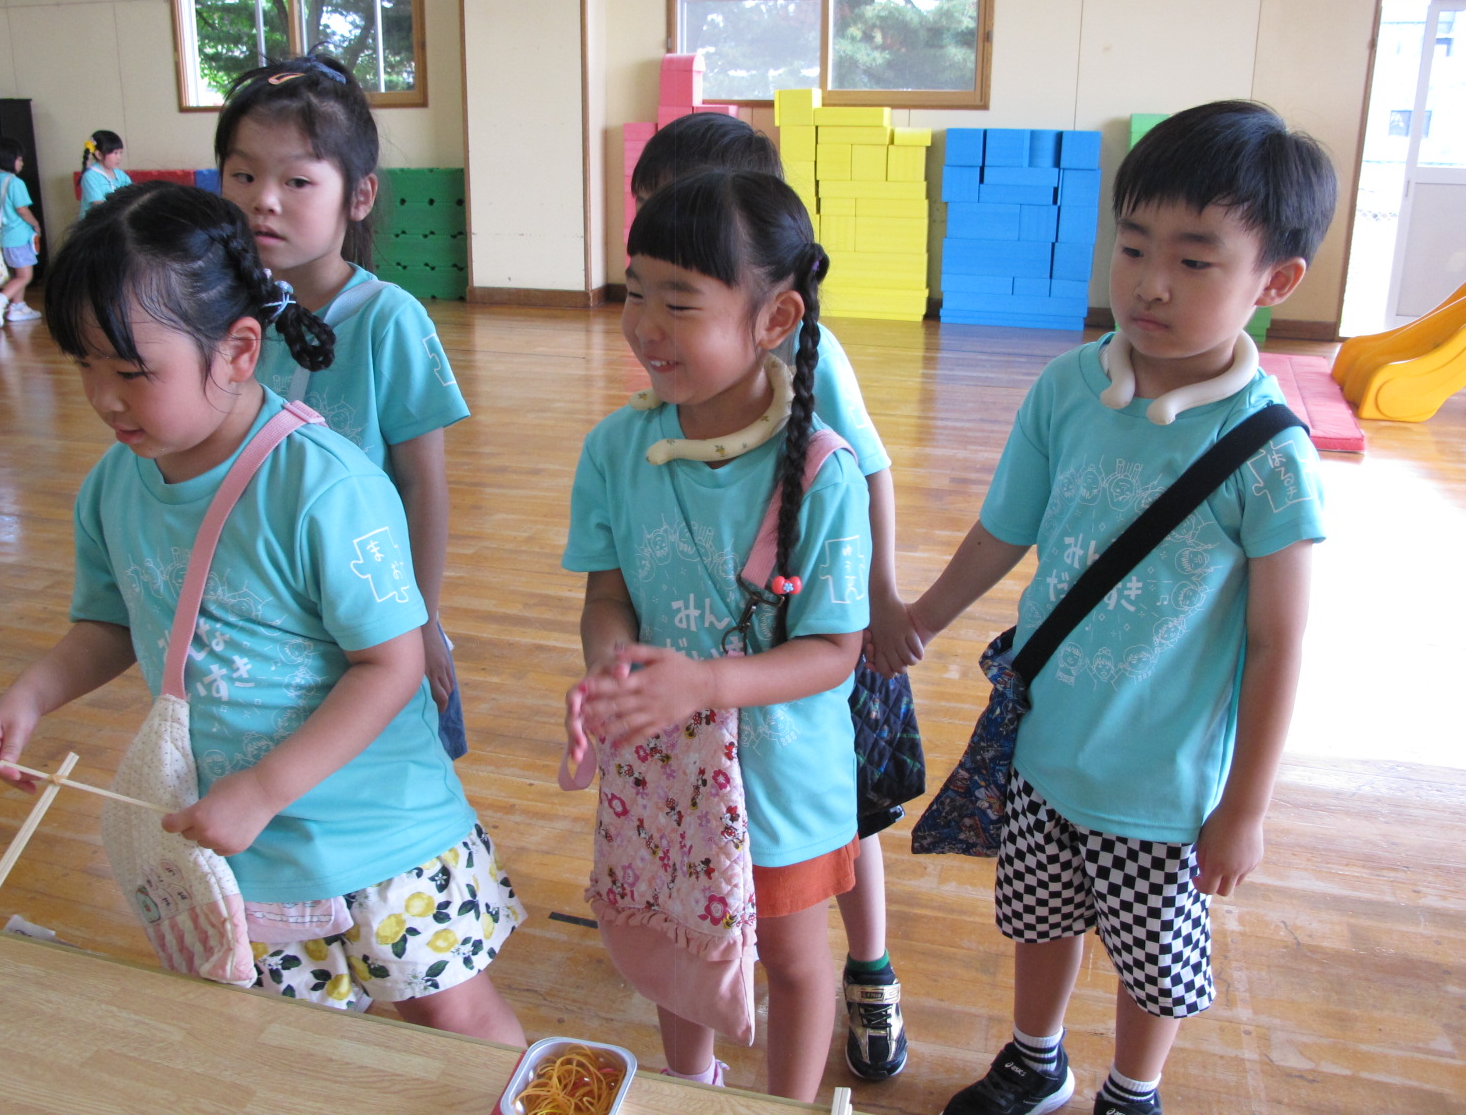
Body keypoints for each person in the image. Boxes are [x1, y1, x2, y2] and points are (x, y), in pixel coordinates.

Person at [0, 182, 525, 1043]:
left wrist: (265, 789)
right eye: (84, 365)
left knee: (453, 1019)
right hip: (242, 849)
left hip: (380, 829)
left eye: (131, 371)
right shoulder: (113, 486)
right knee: (295, 1051)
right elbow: (111, 621)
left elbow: (393, 664)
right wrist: (33, 695)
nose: (104, 398)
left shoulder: (324, 487)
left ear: (237, 350)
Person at [903, 100, 1337, 1115]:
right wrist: (921, 616)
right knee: (1040, 918)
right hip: (1046, 746)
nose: (1150, 281)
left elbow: (1279, 644)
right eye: (1133, 244)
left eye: (1195, 260)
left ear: (1274, 281)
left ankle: (1132, 1090)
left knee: (1152, 958)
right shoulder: (1067, 388)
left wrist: (1245, 807)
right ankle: (1035, 1059)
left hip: (1166, 786)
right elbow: (1003, 529)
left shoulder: (1269, 453)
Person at [564, 169, 871, 1102]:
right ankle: (687, 1083)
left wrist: (704, 684)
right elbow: (608, 596)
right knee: (680, 938)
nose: (645, 325)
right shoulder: (615, 449)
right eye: (635, 292)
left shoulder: (821, 472)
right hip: (668, 768)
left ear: (775, 319)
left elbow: (835, 654)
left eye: (680, 302)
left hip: (785, 777)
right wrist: (613, 667)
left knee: (792, 957)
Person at [630, 110, 913, 1081]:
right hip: (718, 670)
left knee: (844, 814)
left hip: (818, 624)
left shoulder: (808, 356)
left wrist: (882, 594)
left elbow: (866, 470)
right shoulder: (674, 373)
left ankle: (868, 967)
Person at [216, 53, 471, 760]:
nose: (264, 200)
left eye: (296, 180)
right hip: (268, 611)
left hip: (372, 605)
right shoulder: (216, 316)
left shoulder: (389, 319)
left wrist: (421, 618)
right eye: (243, 175)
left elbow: (423, 483)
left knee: (389, 764)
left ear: (358, 196)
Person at [0, 137, 43, 328]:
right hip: (19, 236)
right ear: (9, 159)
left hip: (3, 237)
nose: (22, 163)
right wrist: (36, 224)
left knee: (17, 273)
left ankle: (18, 307)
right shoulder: (15, 182)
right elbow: (22, 210)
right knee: (25, 276)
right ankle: (0, 300)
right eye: (19, 159)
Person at [78, 130, 131, 216]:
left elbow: (131, 195)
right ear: (99, 154)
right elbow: (99, 205)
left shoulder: (121, 175)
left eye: (120, 152)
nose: (119, 157)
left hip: (115, 217)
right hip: (96, 221)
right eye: (115, 153)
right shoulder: (90, 176)